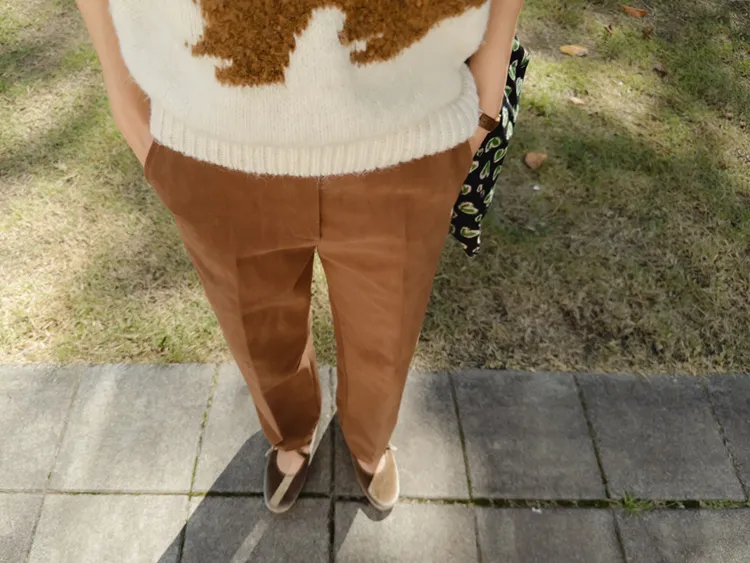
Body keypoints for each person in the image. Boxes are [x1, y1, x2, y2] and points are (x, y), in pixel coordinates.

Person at [76, 0, 523, 513]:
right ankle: (289, 433)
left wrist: (490, 83)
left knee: (388, 332)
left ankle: (370, 440)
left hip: (409, 130)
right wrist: (123, 93)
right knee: (256, 332)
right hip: (210, 136)